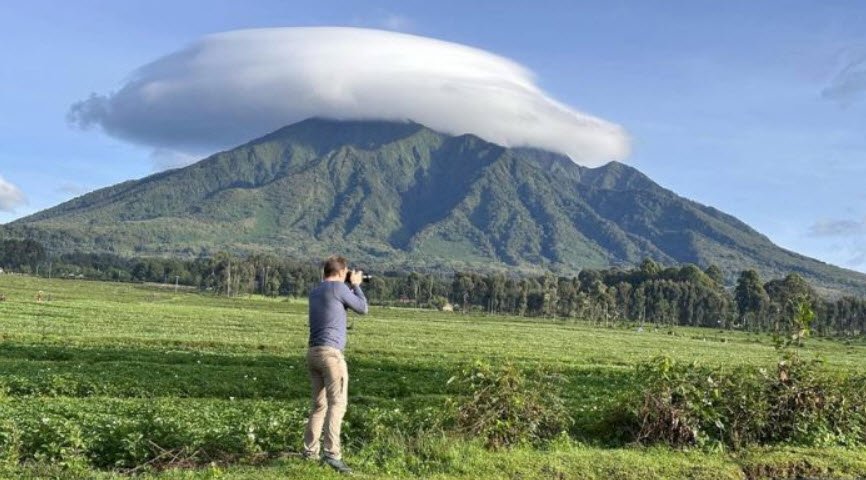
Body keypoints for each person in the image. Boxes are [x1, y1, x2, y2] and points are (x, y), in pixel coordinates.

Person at [302, 255, 368, 474]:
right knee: (337, 404)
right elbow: (362, 308)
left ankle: (310, 452)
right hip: (331, 355)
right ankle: (332, 455)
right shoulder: (340, 289)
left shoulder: (316, 291)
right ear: (341, 273)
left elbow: (334, 304)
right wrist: (356, 286)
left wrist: (346, 285)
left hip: (313, 352)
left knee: (319, 405)